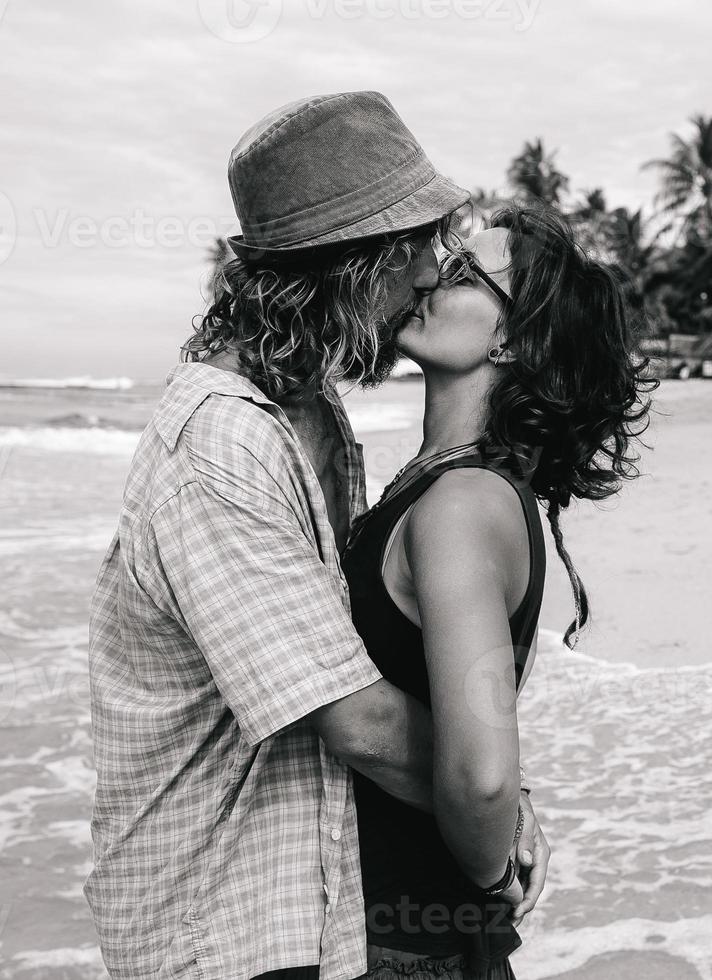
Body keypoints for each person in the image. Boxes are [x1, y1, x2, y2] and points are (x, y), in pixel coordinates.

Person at [86, 92, 550, 980]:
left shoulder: (313, 416)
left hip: (298, 908)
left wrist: (486, 796)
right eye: (416, 246)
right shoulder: (222, 444)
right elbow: (359, 719)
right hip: (216, 920)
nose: (427, 272)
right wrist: (491, 801)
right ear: (354, 266)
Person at [342, 207, 653, 979]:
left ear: (513, 339)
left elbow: (481, 774)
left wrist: (491, 875)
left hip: (407, 949)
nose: (426, 276)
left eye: (460, 272)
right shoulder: (457, 490)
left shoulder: (460, 505)